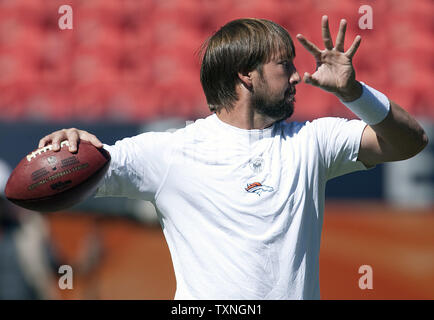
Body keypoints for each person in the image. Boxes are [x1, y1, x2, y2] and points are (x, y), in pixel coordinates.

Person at [37, 17, 428, 299]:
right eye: (284, 64)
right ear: (246, 74)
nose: (297, 76)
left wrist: (355, 92)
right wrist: (72, 144)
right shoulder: (171, 152)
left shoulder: (313, 140)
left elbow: (410, 142)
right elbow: (67, 174)